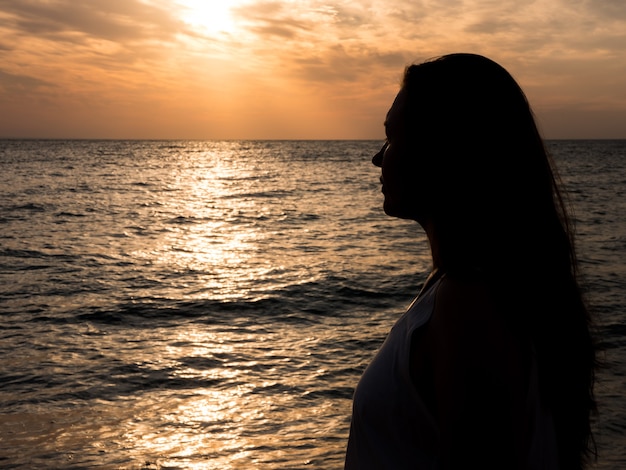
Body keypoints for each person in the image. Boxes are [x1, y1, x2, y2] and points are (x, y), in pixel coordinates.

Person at [344, 53, 598, 469]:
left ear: (441, 149)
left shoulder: (468, 304)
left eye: (392, 138)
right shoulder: (468, 290)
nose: (378, 157)